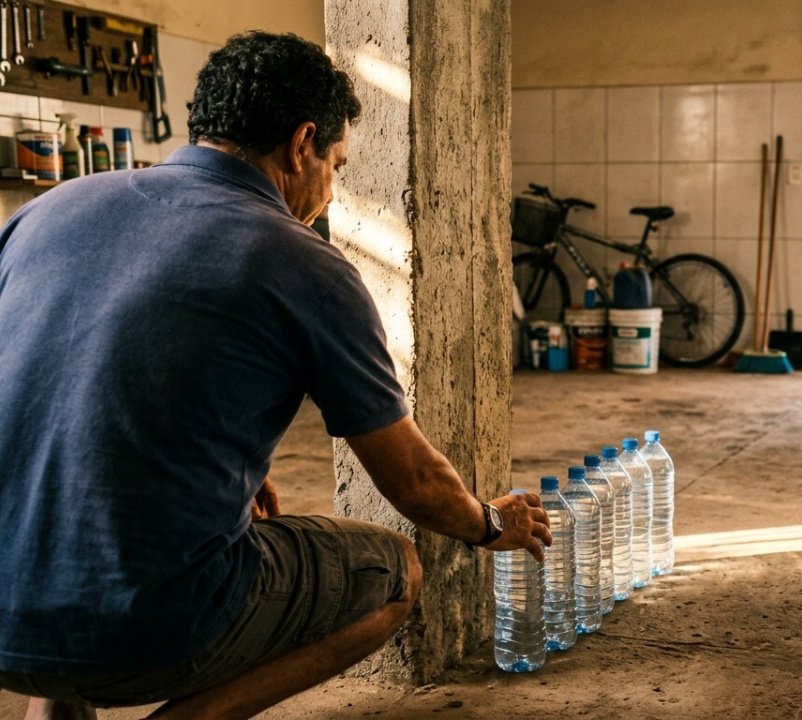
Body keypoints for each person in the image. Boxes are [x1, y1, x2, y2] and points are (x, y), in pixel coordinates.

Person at [0, 31, 550, 720]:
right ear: (302, 145)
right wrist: (492, 525)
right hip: (147, 633)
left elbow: (74, 381)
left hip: (5, 625)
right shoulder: (301, 263)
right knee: (394, 575)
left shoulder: (46, 213)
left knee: (59, 546)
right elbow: (414, 482)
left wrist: (216, 460)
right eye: (337, 164)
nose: (330, 188)